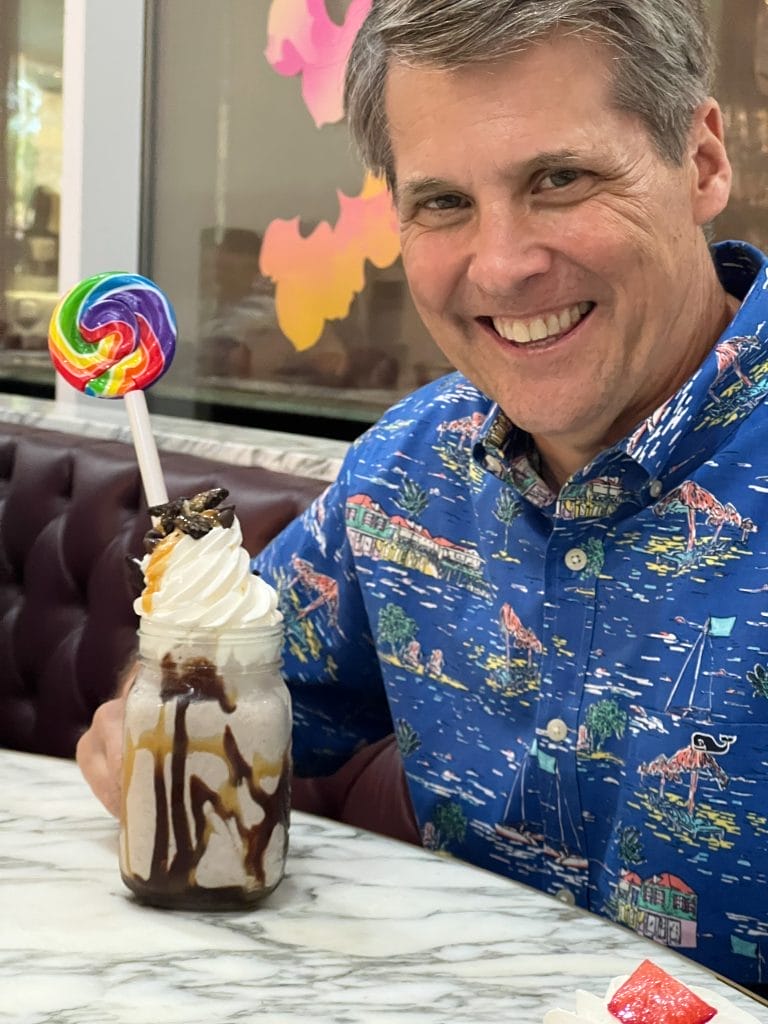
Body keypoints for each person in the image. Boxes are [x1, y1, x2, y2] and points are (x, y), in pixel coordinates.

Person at [78, 0, 768, 991]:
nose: (502, 264)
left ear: (701, 162)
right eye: (443, 203)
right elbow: (230, 699)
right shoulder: (410, 466)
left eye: (559, 178)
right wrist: (145, 727)